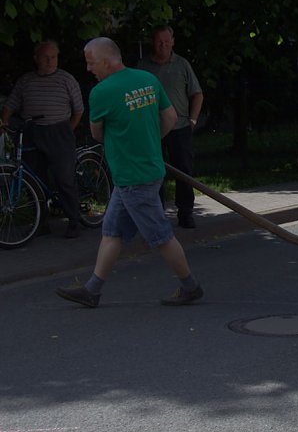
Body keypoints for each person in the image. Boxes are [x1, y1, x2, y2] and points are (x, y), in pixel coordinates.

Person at [56, 37, 203, 308]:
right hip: (141, 172)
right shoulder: (147, 79)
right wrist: (148, 141)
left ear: (106, 60)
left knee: (161, 236)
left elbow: (97, 134)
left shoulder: (101, 92)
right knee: (112, 232)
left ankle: (190, 286)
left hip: (134, 177)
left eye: (90, 63)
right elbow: (170, 117)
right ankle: (92, 290)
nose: (89, 69)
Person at [0, 40, 84, 238]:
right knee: (35, 178)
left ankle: (74, 220)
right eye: (45, 57)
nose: (50, 61)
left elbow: (79, 109)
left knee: (64, 178)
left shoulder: (66, 79)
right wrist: (3, 123)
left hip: (59, 131)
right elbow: (10, 104)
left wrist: (68, 129)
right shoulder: (26, 80)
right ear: (36, 58)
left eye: (53, 57)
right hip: (32, 132)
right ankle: (41, 221)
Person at [137, 25, 203, 229]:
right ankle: (157, 215)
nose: (163, 45)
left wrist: (193, 120)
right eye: (159, 41)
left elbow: (197, 94)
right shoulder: (142, 67)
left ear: (173, 41)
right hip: (152, 130)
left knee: (183, 170)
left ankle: (185, 213)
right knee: (155, 173)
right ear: (153, 42)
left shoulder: (182, 64)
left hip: (180, 127)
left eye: (166, 41)